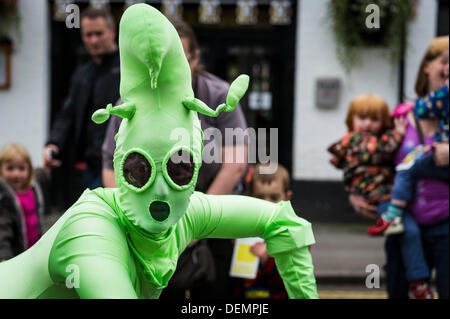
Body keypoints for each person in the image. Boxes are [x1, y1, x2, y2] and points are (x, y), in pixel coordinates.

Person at [0, 4, 317, 299]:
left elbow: (285, 223)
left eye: (179, 168)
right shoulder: (90, 233)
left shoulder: (186, 214)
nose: (161, 191)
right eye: (139, 170)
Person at [101, 20, 249, 299]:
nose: (169, 66)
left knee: (216, 297)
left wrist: (195, 223)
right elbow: (112, 166)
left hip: (213, 219)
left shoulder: (217, 95)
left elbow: (236, 164)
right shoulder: (129, 104)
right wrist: (133, 219)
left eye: (178, 58)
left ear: (194, 58)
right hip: (153, 223)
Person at [349, 36, 449, 299]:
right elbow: (371, 157)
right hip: (405, 225)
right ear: (427, 66)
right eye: (446, 61)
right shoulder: (401, 116)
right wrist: (356, 193)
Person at [43, 7, 120, 206]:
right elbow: (67, 114)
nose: (93, 40)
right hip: (86, 167)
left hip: (118, 164)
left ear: (112, 31)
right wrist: (53, 143)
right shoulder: (82, 73)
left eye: (99, 33)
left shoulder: (128, 69)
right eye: (88, 35)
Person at [368, 82, 448, 236]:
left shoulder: (444, 93)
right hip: (438, 152)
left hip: (440, 149)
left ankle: (393, 216)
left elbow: (422, 110)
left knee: (405, 168)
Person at [233, 162, 292, 299]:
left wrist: (267, 258)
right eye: (260, 197)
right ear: (250, 196)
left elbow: (293, 279)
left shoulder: (292, 232)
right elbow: (236, 280)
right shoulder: (245, 229)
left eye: (274, 198)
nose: (267, 204)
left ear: (287, 197)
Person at [0, 143, 46, 261]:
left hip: (34, 250)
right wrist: (4, 258)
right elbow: (3, 232)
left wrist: (46, 166)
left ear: (29, 170)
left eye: (21, 168)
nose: (16, 174)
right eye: (10, 168)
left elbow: (41, 175)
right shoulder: (4, 199)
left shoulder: (33, 187)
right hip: (15, 257)